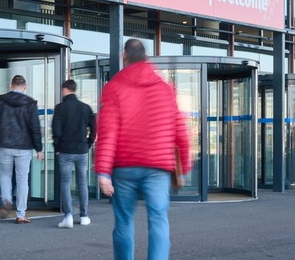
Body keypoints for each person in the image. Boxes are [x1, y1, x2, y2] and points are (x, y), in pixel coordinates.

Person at [95, 39, 192, 260]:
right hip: (157, 167)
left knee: (123, 220)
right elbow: (180, 130)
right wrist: (184, 166)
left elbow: (108, 132)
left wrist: (103, 172)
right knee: (158, 217)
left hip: (124, 167)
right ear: (146, 57)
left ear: (124, 56)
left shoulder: (113, 87)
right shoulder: (164, 88)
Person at [0, 75, 43, 224]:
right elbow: (35, 128)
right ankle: (20, 214)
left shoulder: (0, 100)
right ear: (25, 86)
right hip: (24, 147)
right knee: (22, 180)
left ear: (10, 85)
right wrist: (39, 148)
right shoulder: (30, 103)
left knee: (5, 175)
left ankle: (6, 200)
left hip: (4, 144)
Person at [52, 79, 96, 228]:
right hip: (81, 150)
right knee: (82, 182)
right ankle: (84, 216)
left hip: (65, 150)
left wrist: (57, 147)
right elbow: (94, 128)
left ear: (64, 89)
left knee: (65, 182)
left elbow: (56, 131)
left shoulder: (60, 108)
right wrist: (88, 144)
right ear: (75, 89)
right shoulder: (85, 108)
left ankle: (68, 216)